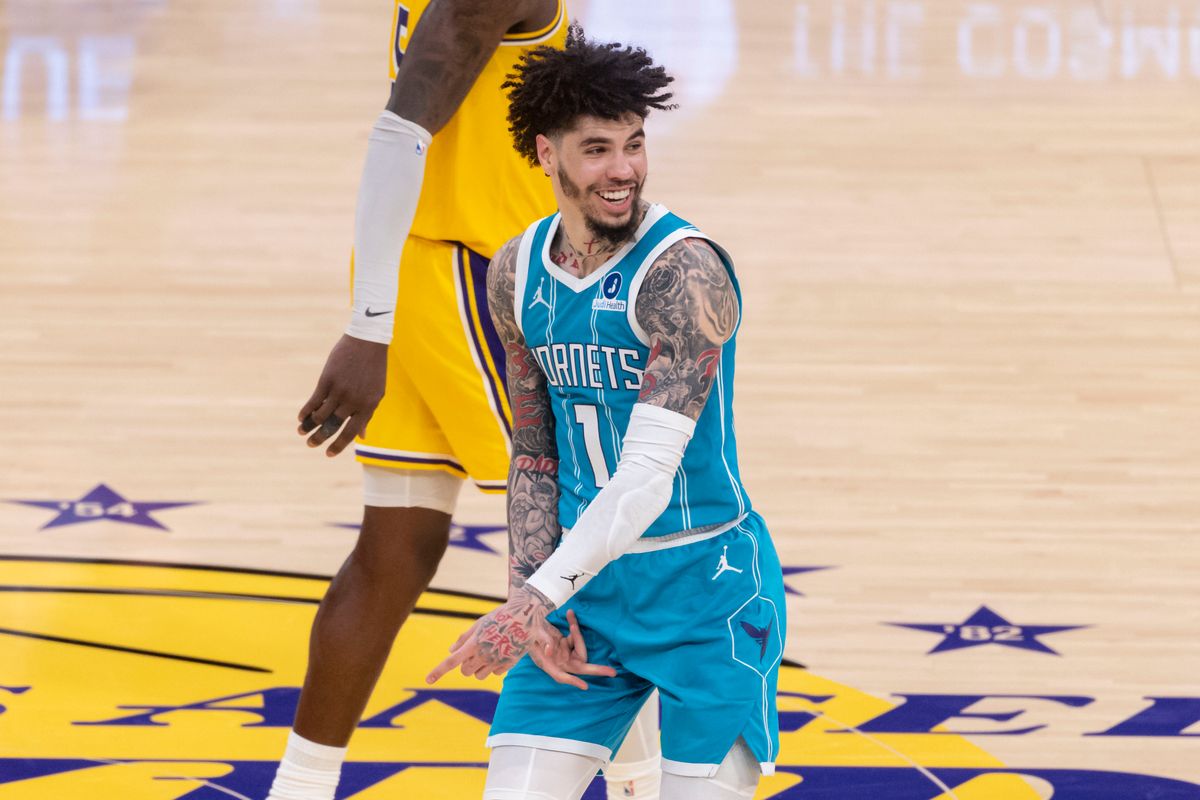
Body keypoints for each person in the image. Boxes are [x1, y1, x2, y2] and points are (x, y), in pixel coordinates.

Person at [267, 4, 661, 800]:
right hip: (471, 277)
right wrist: (366, 329)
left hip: (422, 265)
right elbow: (398, 133)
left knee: (395, 551)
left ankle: (298, 787)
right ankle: (644, 784)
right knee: (595, 548)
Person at [427, 25, 787, 800]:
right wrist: (532, 597)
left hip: (706, 591)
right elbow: (533, 450)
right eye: (596, 149)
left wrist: (535, 597)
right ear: (544, 153)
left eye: (634, 143)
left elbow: (647, 479)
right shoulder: (515, 272)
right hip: (583, 593)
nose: (622, 170)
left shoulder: (683, 273)